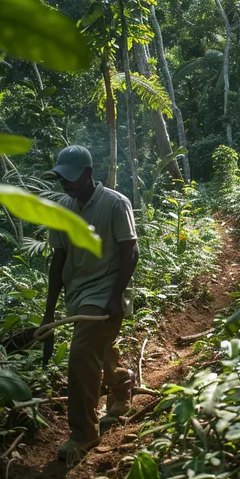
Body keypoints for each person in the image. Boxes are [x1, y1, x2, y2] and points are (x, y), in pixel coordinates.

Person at [42, 145, 138, 461]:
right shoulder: (63, 209)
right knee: (100, 345)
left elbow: (130, 253)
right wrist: (48, 312)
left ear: (88, 173)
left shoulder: (115, 204)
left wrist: (115, 297)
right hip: (79, 295)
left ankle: (84, 433)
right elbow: (58, 260)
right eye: (60, 177)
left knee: (82, 352)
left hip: (106, 292)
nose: (64, 183)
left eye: (70, 177)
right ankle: (122, 390)